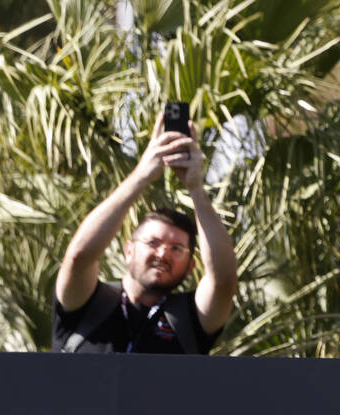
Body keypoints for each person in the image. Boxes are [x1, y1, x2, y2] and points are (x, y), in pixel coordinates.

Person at [52, 109, 238, 354]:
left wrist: (196, 189)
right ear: (128, 250)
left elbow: (223, 280)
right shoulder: (87, 302)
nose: (163, 253)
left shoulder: (190, 318)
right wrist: (141, 175)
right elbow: (79, 256)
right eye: (152, 242)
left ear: (191, 267)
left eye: (177, 248)